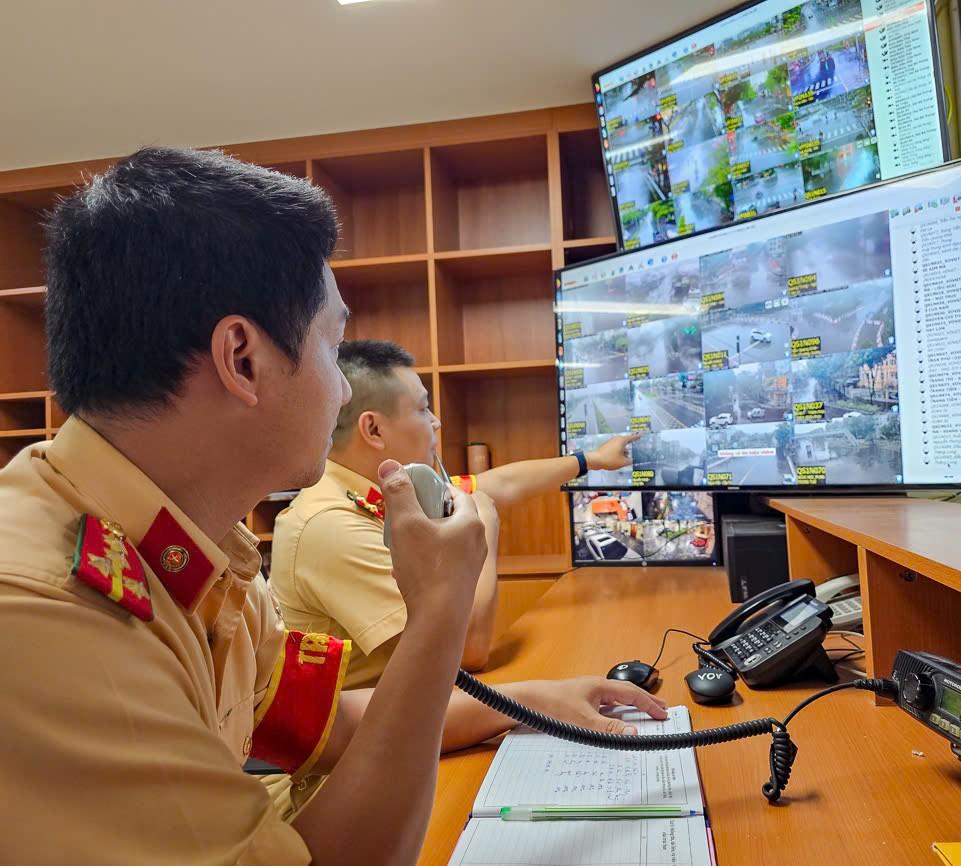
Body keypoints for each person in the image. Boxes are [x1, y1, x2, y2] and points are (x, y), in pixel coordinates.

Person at [0, 147, 665, 866]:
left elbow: (325, 722)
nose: (345, 392)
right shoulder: (48, 616)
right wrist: (440, 612)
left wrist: (527, 702)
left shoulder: (195, 551)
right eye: (332, 344)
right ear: (243, 359)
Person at [270, 338, 639, 680]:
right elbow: (467, 651)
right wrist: (483, 528)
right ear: (374, 430)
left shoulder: (389, 491)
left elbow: (501, 484)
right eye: (423, 408)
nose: (436, 422)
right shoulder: (332, 525)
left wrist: (591, 459)